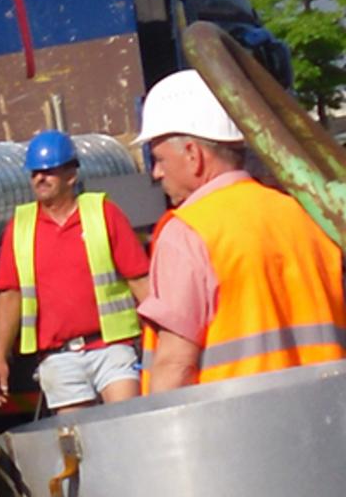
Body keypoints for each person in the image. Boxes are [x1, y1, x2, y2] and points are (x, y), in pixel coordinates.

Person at [135, 69, 346, 389]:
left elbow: (175, 364)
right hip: (329, 419)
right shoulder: (308, 217)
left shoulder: (188, 232)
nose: (156, 172)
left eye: (159, 158)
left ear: (193, 154)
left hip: (237, 429)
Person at [0, 130, 150, 411]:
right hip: (58, 357)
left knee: (128, 424)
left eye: (49, 172)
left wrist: (163, 338)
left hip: (111, 348)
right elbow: (10, 296)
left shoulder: (103, 214)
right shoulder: (20, 228)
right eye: (35, 172)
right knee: (79, 446)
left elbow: (138, 279)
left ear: (71, 175)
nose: (40, 178)